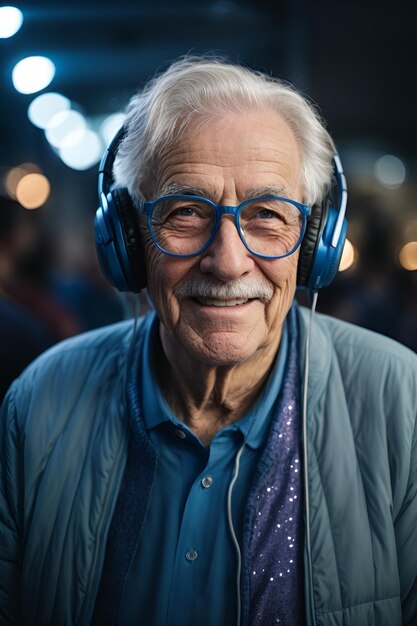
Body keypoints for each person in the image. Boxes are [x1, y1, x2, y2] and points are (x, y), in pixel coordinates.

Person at [1, 57, 416, 626]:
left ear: (314, 241)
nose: (227, 261)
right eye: (186, 212)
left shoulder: (403, 403)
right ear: (126, 237)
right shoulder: (37, 404)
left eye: (268, 214)